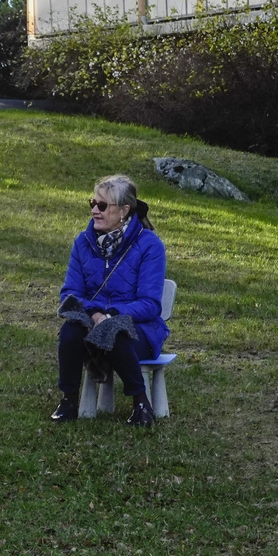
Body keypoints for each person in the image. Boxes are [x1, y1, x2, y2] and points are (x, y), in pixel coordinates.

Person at [52, 174, 168, 427]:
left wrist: (112, 315)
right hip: (91, 322)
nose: (95, 210)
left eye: (103, 206)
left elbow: (150, 303)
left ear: (124, 211)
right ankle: (68, 400)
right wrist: (95, 314)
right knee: (71, 331)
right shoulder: (83, 242)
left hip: (139, 330)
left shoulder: (150, 246)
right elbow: (70, 293)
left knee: (114, 332)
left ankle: (140, 404)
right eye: (92, 203)